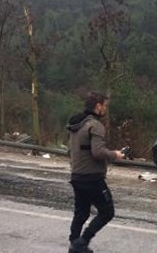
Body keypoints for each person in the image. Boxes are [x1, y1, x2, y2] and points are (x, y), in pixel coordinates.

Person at [67, 92, 125, 253]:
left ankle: (73, 244)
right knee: (107, 212)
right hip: (92, 178)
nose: (105, 109)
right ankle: (82, 243)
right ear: (98, 106)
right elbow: (98, 152)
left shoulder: (76, 124)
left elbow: (70, 150)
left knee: (81, 213)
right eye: (104, 106)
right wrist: (115, 155)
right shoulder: (96, 125)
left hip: (77, 176)